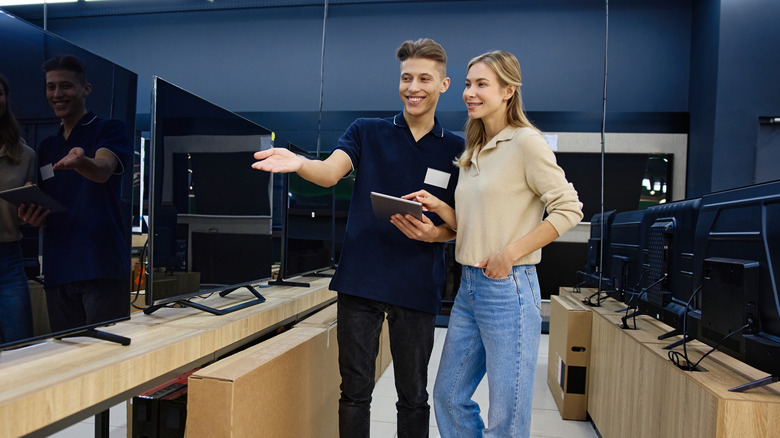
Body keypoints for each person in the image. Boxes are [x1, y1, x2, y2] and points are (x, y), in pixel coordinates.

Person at [253, 38, 464, 437]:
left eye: (424, 78)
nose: (413, 87)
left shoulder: (457, 149)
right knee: (354, 393)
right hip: (362, 278)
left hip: (417, 283)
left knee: (413, 397)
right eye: (406, 78)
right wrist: (301, 163)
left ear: (444, 84)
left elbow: (458, 225)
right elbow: (331, 172)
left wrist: (433, 233)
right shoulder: (367, 131)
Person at [394, 50, 583, 437]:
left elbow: (569, 209)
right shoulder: (475, 148)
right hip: (470, 288)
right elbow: (475, 224)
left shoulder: (526, 143)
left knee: (507, 416)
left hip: (508, 287)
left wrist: (510, 254)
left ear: (508, 91)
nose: (470, 92)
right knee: (448, 395)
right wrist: (439, 207)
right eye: (467, 84)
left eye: (482, 84)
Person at [18, 55, 131, 333]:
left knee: (104, 357)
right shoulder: (46, 146)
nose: (57, 94)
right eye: (51, 87)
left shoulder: (108, 129)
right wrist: (32, 213)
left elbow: (103, 169)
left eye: (66, 86)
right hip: (58, 269)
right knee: (68, 358)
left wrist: (82, 161)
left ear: (85, 90)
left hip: (99, 266)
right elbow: (49, 207)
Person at [0, 73, 36, 344]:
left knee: (20, 346)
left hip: (7, 259)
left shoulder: (25, 155)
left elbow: (27, 216)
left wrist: (31, 212)